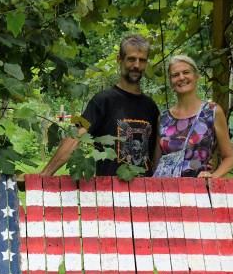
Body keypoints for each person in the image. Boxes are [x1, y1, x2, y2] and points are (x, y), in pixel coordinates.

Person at [40, 34, 160, 176]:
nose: (136, 65)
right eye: (131, 59)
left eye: (142, 60)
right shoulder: (101, 100)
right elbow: (73, 136)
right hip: (109, 193)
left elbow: (156, 156)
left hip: (144, 193)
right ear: (119, 59)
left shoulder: (151, 107)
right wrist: (44, 175)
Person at [155, 55, 233, 178]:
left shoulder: (211, 112)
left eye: (186, 72)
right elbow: (156, 162)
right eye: (175, 75)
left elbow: (229, 158)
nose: (181, 77)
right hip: (166, 192)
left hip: (198, 191)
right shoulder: (164, 118)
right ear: (170, 82)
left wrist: (213, 177)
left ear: (196, 76)